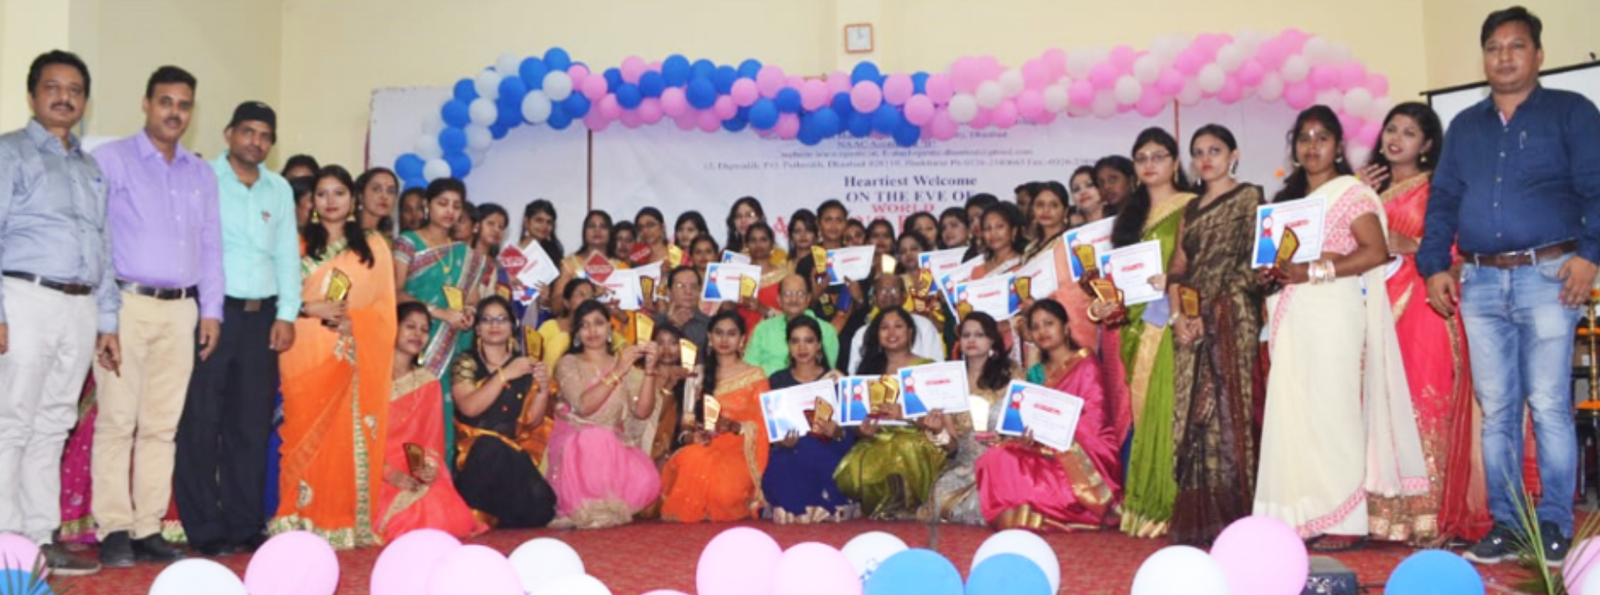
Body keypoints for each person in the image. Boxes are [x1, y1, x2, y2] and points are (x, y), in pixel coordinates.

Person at [1420, 6, 1600, 565]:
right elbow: (1444, 201)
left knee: (1547, 404)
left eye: (1516, 46)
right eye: (1494, 47)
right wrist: (1434, 266)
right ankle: (1507, 523)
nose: (1504, 56)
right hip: (1477, 282)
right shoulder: (1465, 127)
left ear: (1538, 55)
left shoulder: (1573, 112)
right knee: (1496, 409)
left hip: (1550, 278)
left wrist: (1590, 256)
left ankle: (1551, 525)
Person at [1256, 106, 1425, 552]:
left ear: (1337, 146)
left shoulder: (1351, 193)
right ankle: (1297, 514)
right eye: (1304, 137)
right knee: (1294, 414)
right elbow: (1278, 263)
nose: (1312, 146)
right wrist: (1271, 273)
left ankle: (1346, 519)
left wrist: (1313, 273)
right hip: (1291, 315)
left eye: (1322, 137)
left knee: (1332, 414)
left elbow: (1374, 252)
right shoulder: (1286, 203)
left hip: (1333, 310)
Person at [88, 66, 220, 567]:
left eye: (184, 104)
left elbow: (211, 248)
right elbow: (96, 240)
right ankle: (114, 528)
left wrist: (209, 310)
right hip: (126, 305)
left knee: (162, 427)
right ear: (146, 104)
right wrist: (103, 314)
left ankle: (147, 528)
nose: (175, 112)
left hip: (181, 311)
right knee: (118, 421)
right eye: (165, 101)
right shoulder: (112, 160)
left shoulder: (201, 174)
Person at [0, 49, 116, 576]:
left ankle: (41, 536)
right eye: (53, 87)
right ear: (32, 95)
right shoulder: (9, 154)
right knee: (12, 422)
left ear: (84, 101)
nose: (64, 96)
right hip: (24, 297)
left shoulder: (90, 168)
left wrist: (107, 321)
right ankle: (6, 541)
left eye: (74, 89)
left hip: (80, 303)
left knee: (54, 424)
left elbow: (104, 246)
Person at [1359, 102, 1489, 547]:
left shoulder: (1438, 189)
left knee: (1421, 402)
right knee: (1377, 405)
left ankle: (1429, 513)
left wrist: (1408, 244)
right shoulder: (1365, 191)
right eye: (1391, 129)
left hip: (1422, 306)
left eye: (1410, 132)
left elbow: (1455, 250)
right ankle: (1382, 513)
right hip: (1374, 310)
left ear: (1429, 144)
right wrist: (1354, 195)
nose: (1396, 138)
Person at [177, 101, 300, 558]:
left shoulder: (279, 189)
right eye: (248, 132)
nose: (257, 142)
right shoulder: (202, 178)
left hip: (261, 320)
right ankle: (205, 528)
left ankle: (245, 525)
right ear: (229, 133)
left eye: (265, 135)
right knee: (201, 423)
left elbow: (286, 254)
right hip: (211, 315)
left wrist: (287, 313)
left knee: (250, 425)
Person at [272, 165, 398, 548]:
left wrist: (354, 323)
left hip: (350, 353)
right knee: (299, 431)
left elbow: (384, 309)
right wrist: (311, 308)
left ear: (352, 199)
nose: (330, 202)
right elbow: (276, 298)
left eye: (338, 193)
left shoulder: (373, 246)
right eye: (322, 194)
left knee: (344, 436)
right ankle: (295, 513)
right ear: (311, 201)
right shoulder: (295, 244)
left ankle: (338, 519)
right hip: (302, 349)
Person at [1163, 124, 1264, 545]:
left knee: (1228, 409)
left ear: (1234, 154)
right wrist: (1179, 315)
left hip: (1232, 317)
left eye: (1215, 150)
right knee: (1193, 417)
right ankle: (1200, 515)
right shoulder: (1191, 209)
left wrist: (1214, 309)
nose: (1206, 159)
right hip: (1191, 320)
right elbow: (1179, 269)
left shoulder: (1250, 199)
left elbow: (1258, 264)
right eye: (1199, 152)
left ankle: (1236, 512)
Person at [1103, 127, 1196, 539]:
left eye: (1159, 156)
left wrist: (1175, 279)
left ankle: (1171, 502)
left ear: (1175, 163)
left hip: (1170, 317)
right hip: (1132, 326)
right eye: (1142, 158)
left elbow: (1203, 262)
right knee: (1142, 415)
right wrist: (1109, 302)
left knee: (1168, 410)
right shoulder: (1130, 218)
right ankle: (1144, 497)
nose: (1150, 164)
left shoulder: (1192, 207)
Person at [975, 300, 1122, 531]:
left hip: (1078, 464)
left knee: (1024, 474)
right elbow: (1030, 420)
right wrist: (1026, 439)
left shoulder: (1086, 365)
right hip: (1043, 453)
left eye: (1049, 324)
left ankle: (1040, 508)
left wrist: (1058, 438)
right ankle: (1023, 509)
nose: (1043, 331)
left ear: (1065, 327)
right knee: (995, 457)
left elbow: (1095, 424)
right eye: (1036, 327)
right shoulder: (1036, 373)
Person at [547, 300, 661, 528]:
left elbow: (642, 412)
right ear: (577, 333)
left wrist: (649, 370)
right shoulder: (568, 364)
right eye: (584, 325)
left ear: (610, 329)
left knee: (649, 480)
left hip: (615, 449)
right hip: (576, 449)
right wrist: (618, 371)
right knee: (595, 437)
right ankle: (586, 506)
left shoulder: (622, 363)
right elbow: (583, 406)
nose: (592, 331)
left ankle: (606, 505)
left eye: (598, 323)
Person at [449, 296, 557, 529]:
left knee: (545, 505)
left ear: (512, 326)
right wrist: (504, 375)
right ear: (477, 328)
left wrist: (543, 389)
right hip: (475, 453)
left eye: (501, 319)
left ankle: (497, 512)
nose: (494, 325)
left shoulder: (524, 363)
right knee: (491, 446)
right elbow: (469, 406)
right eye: (487, 320)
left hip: (512, 454)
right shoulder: (466, 362)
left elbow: (532, 421)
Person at [379, 302, 481, 540]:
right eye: (410, 327)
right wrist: (389, 474)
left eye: (424, 330)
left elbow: (431, 444)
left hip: (413, 470)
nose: (418, 334)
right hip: (374, 470)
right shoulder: (370, 378)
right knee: (411, 518)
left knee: (449, 514)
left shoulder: (428, 382)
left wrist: (429, 470)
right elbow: (357, 437)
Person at [834, 308, 948, 519]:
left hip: (918, 438)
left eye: (898, 326)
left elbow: (940, 419)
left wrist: (905, 415)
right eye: (884, 327)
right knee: (855, 466)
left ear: (911, 332)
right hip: (877, 438)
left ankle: (905, 508)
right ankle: (887, 508)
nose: (891, 332)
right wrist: (862, 430)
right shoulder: (868, 370)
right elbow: (855, 422)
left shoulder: (928, 369)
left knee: (902, 449)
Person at [660, 312, 770, 522]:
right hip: (708, 446)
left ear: (742, 340)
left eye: (731, 334)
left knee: (724, 492)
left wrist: (734, 426)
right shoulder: (697, 374)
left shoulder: (756, 376)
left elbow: (764, 426)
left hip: (741, 451)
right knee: (690, 458)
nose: (724, 339)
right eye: (718, 333)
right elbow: (686, 423)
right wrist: (692, 437)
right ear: (709, 337)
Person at [762, 316, 857, 524]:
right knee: (786, 457)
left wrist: (837, 431)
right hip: (789, 449)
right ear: (788, 345)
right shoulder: (778, 380)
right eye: (795, 341)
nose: (802, 347)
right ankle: (811, 503)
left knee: (808, 448)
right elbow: (772, 432)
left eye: (809, 340)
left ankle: (802, 504)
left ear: (819, 345)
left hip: (827, 449)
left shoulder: (835, 379)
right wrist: (781, 441)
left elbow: (850, 433)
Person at [929, 313, 1016, 525]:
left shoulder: (1011, 376)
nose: (971, 340)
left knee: (1000, 497)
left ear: (992, 340)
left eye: (979, 334)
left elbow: (1020, 427)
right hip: (965, 467)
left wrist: (1004, 442)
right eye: (966, 335)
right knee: (940, 499)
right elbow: (951, 446)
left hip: (1003, 465)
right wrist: (937, 432)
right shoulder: (950, 381)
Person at [840, 274, 944, 372]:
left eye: (894, 289)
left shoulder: (924, 325)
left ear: (904, 295)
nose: (888, 295)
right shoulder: (862, 333)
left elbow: (937, 365)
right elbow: (855, 373)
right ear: (874, 297)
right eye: (882, 290)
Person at [745, 274, 840, 375]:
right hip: (768, 387)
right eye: (787, 294)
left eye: (800, 294)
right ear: (779, 300)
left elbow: (828, 372)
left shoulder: (826, 330)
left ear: (808, 298)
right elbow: (749, 369)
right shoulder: (763, 329)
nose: (794, 299)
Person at [552, 210, 625, 316]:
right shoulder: (569, 264)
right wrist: (587, 295)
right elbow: (556, 306)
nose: (597, 230)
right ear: (584, 232)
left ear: (610, 233)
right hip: (576, 325)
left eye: (603, 227)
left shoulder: (620, 266)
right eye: (592, 226)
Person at [739, 222, 787, 325]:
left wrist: (763, 310)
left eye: (763, 240)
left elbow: (789, 317)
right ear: (746, 244)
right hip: (739, 337)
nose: (758, 245)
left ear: (772, 244)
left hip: (772, 336)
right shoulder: (737, 275)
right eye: (753, 240)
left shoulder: (784, 276)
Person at [654, 266, 712, 351]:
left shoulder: (710, 325)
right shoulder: (654, 323)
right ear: (669, 292)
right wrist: (672, 326)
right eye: (681, 286)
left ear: (699, 291)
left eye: (693, 287)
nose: (688, 292)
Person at [356, 167, 399, 242]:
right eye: (376, 189)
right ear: (361, 195)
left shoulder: (388, 240)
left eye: (390, 191)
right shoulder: (346, 235)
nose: (384, 196)